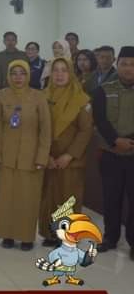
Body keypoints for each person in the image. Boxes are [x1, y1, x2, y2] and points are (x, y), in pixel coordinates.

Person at [0, 60, 51, 250]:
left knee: (28, 198)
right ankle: (7, 235)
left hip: (31, 156)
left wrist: (42, 156)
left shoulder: (38, 97)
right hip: (7, 156)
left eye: (22, 73)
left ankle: (26, 237)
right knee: (5, 198)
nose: (18, 77)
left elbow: (45, 130)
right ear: (8, 76)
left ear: (28, 76)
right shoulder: (1, 95)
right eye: (14, 73)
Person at [38, 58, 93, 247]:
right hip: (49, 158)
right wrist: (45, 155)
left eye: (64, 70)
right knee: (49, 196)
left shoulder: (81, 99)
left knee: (68, 198)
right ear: (50, 74)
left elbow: (85, 131)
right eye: (56, 70)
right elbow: (37, 128)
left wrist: (69, 155)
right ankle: (49, 233)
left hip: (71, 160)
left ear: (71, 74)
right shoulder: (43, 97)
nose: (60, 74)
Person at [92, 46, 134, 261]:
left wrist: (130, 142)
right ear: (118, 64)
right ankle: (110, 238)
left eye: (133, 64)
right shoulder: (103, 89)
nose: (129, 68)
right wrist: (116, 140)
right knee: (111, 198)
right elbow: (99, 119)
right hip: (111, 153)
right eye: (125, 63)